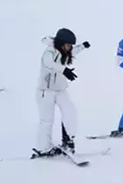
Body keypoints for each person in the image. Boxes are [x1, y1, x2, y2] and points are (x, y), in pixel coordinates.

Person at [33, 28, 90, 158]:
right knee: (47, 121)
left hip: (60, 90)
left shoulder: (65, 51)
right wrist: (64, 70)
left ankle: (68, 141)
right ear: (60, 42)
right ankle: (43, 148)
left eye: (70, 45)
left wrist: (82, 47)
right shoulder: (49, 51)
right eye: (68, 45)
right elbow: (49, 63)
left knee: (70, 112)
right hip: (45, 92)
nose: (69, 48)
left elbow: (73, 51)